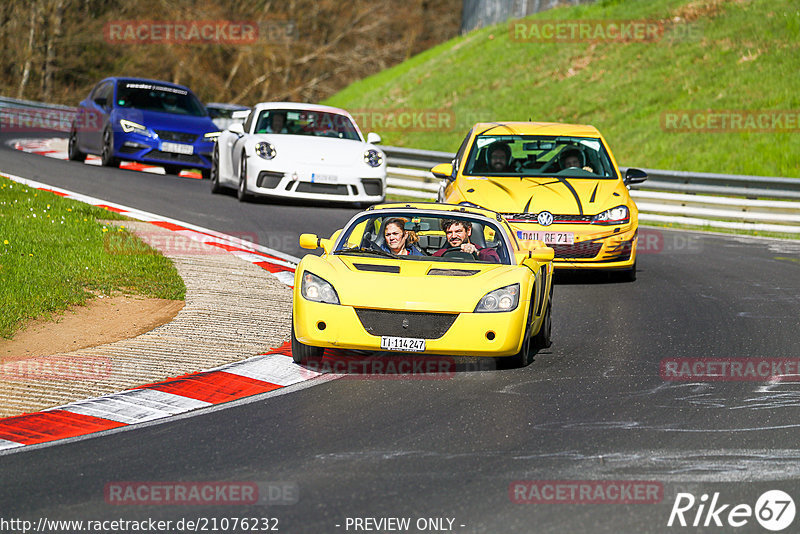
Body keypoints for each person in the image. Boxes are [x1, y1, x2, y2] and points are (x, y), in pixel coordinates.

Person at [433, 219, 500, 263]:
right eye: (449, 232)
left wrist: (477, 253)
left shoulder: (485, 252)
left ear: (468, 231)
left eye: (458, 231)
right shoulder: (440, 254)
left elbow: (495, 262)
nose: (453, 236)